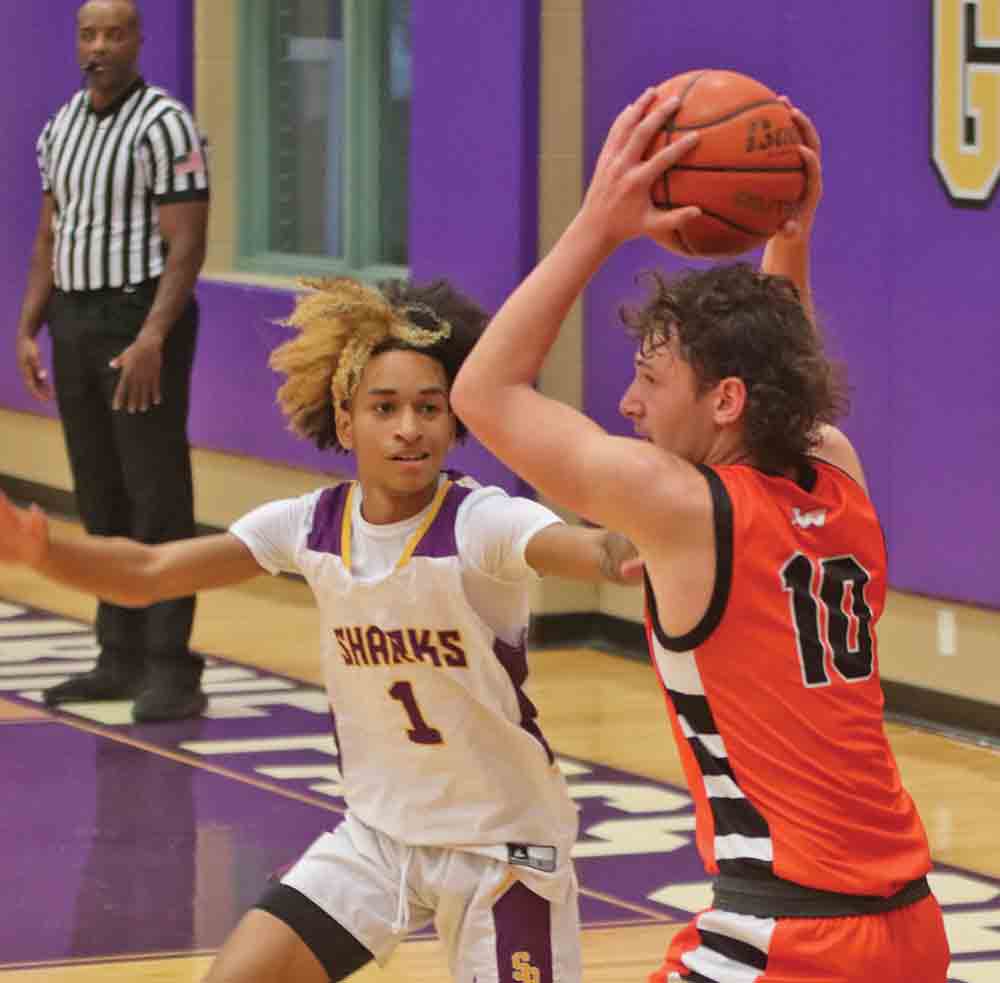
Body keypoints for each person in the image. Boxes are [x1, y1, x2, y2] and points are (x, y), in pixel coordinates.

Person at [0, 274, 642, 982]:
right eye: (385, 407)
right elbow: (152, 569)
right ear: (345, 421)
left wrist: (625, 546)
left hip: (502, 845)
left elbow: (580, 549)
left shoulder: (479, 520)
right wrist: (44, 550)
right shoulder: (310, 525)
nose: (409, 427)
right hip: (380, 837)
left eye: (430, 408)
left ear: (454, 420)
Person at [451, 90, 950, 983]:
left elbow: (482, 393)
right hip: (910, 930)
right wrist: (789, 232)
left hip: (789, 943)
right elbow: (774, 363)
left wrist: (599, 225)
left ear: (723, 402)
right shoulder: (834, 468)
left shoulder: (684, 507)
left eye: (649, 377)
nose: (627, 404)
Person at [14, 0, 210, 722]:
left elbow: (186, 243)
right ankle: (117, 655)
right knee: (99, 494)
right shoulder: (59, 127)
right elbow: (48, 234)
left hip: (137, 319)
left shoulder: (166, 124)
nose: (100, 45)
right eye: (88, 34)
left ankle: (172, 667)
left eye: (114, 33)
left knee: (156, 493)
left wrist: (153, 336)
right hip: (74, 319)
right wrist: (31, 325)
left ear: (137, 40)